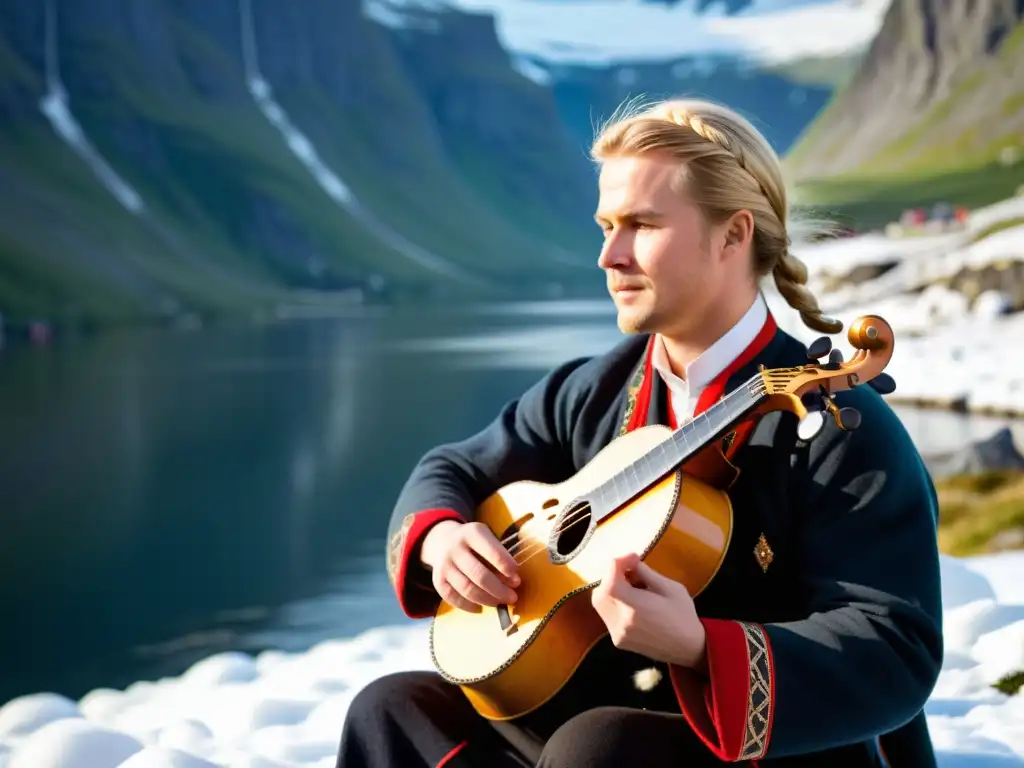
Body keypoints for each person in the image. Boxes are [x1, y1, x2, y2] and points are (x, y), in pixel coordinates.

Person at [335, 98, 943, 767]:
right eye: (605, 226)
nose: (607, 255)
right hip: (595, 722)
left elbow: (895, 644)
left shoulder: (837, 421)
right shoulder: (591, 391)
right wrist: (445, 538)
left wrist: (700, 647)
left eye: (641, 226)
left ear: (733, 236)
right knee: (388, 713)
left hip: (781, 752)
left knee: (598, 748)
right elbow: (454, 469)